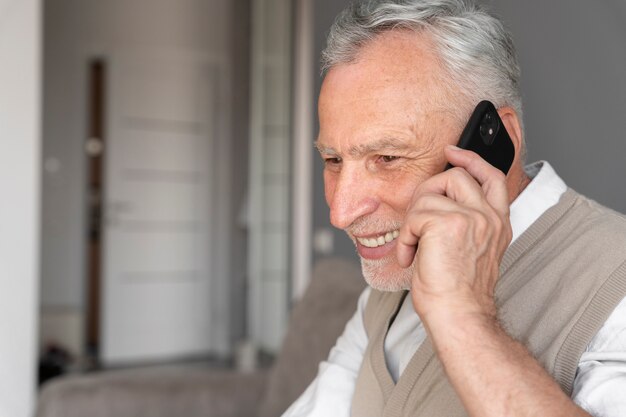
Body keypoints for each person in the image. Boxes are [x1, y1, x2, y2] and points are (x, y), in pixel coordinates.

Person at [283, 0, 626, 416]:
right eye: (333, 160)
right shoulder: (383, 297)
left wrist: (464, 315)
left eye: (388, 158)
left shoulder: (614, 279)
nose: (341, 211)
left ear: (499, 141)